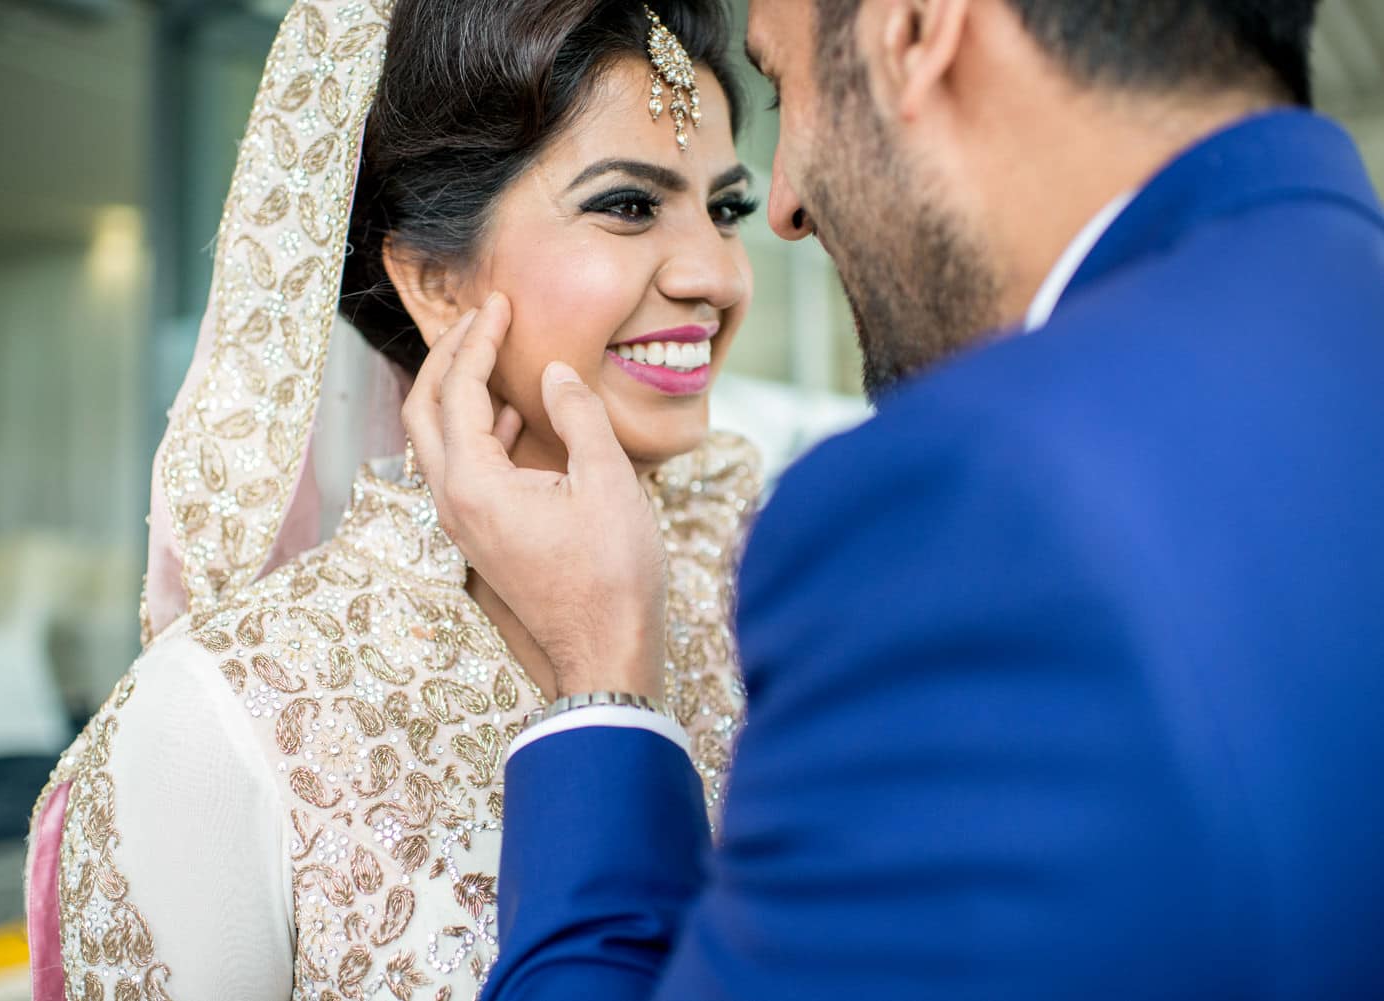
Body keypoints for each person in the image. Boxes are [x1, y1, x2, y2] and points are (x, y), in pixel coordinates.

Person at [401, 0, 1384, 997]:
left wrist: (603, 689)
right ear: (432, 278)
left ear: (916, 28)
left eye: (786, 90)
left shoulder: (973, 505)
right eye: (628, 203)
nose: (782, 209)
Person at [23, 2, 763, 998]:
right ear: (433, 279)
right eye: (629, 205)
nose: (717, 274)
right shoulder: (230, 707)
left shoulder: (771, 589)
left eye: (726, 208)